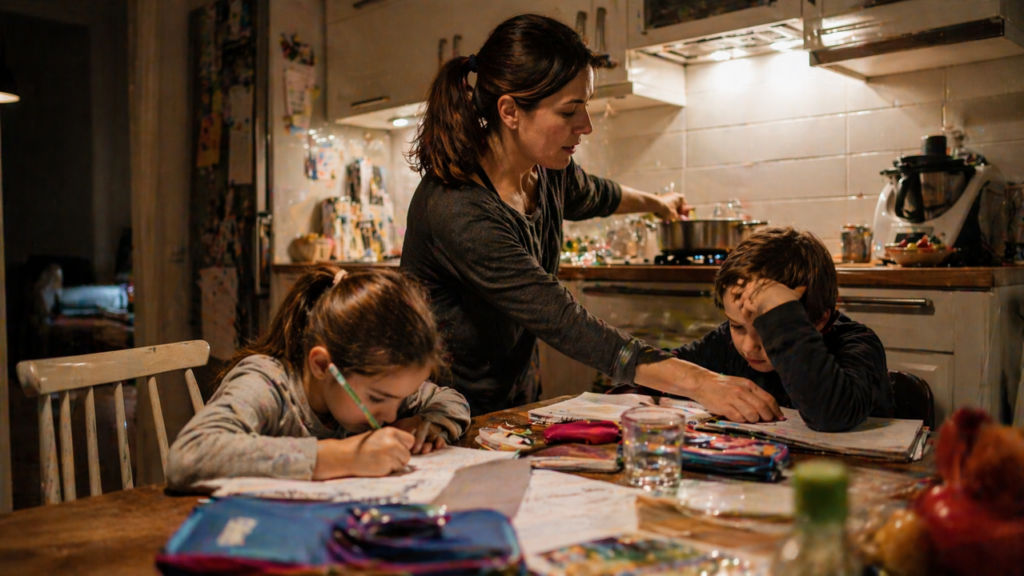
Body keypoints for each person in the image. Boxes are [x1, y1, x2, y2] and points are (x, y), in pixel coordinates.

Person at [401, 14, 783, 422]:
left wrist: (657, 202)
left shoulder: (544, 170)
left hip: (511, 403)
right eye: (569, 112)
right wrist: (702, 383)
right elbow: (563, 320)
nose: (586, 126)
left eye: (585, 106)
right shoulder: (458, 207)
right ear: (510, 111)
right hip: (438, 414)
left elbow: (595, 195)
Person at [165, 266, 470, 490]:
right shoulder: (266, 384)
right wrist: (342, 456)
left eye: (402, 398)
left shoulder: (381, 387)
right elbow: (188, 456)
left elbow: (451, 401)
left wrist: (424, 424)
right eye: (377, 399)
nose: (390, 415)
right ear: (323, 365)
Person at [672, 227, 895, 432]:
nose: (749, 346)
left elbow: (832, 416)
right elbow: (662, 367)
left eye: (767, 329)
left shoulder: (858, 345)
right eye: (737, 326)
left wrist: (781, 312)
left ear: (819, 320)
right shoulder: (723, 343)